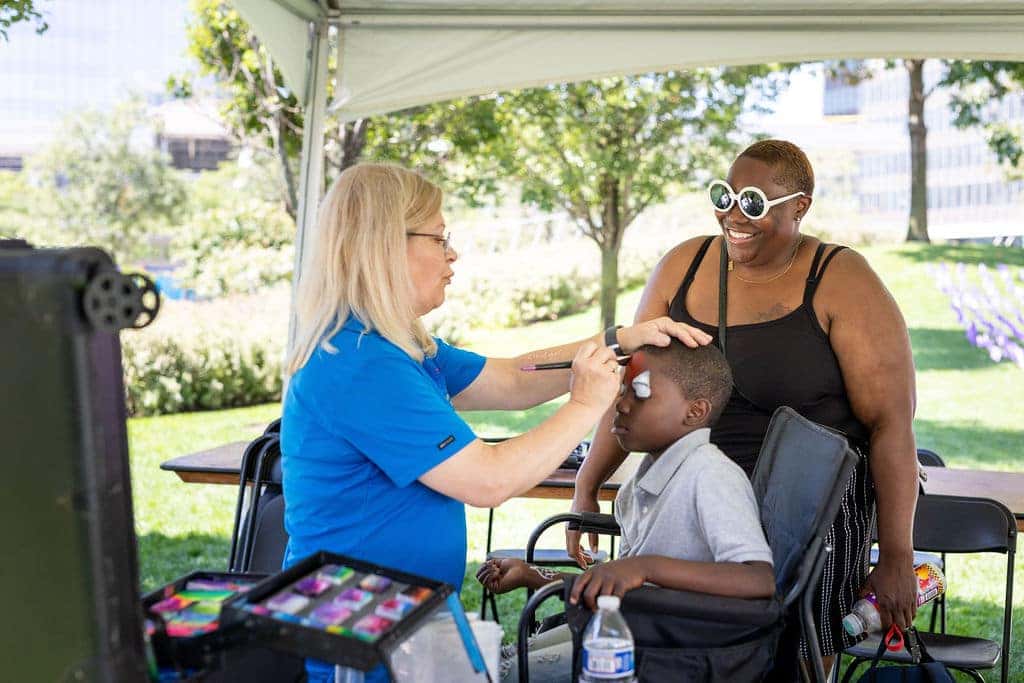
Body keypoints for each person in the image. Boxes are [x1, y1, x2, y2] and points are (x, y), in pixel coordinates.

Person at [280, 163, 711, 682]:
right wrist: (583, 405)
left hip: (398, 622)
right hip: (357, 640)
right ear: (384, 246)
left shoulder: (397, 346)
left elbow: (512, 379)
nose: (452, 253)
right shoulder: (360, 365)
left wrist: (621, 340)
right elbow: (487, 479)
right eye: (440, 238)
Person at [567, 139, 920, 674]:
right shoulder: (683, 266)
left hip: (811, 511)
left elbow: (891, 424)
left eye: (753, 202)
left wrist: (895, 556)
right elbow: (632, 390)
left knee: (790, 660)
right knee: (691, 653)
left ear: (799, 206)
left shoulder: (842, 280)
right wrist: (586, 487)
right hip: (694, 496)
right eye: (724, 196)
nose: (733, 214)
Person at [477, 340, 774, 682]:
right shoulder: (639, 484)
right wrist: (534, 575)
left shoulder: (711, 476)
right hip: (640, 628)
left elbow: (758, 578)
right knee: (508, 660)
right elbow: (618, 580)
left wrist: (645, 567)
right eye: (622, 390)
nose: (621, 404)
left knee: (512, 672)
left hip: (679, 650)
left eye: (641, 393)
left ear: (694, 411)